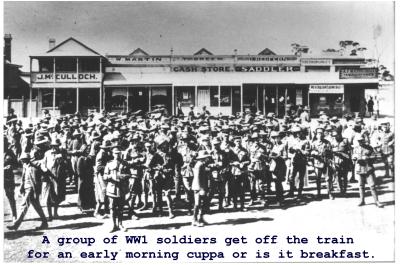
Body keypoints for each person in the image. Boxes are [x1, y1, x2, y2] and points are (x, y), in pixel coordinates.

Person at [7, 152, 48, 231]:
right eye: (22, 160)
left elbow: (42, 170)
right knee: (37, 206)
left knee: (23, 205)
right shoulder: (25, 166)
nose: (22, 161)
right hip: (26, 188)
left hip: (31, 189)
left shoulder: (34, 167)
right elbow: (23, 178)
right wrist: (21, 188)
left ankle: (16, 224)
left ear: (27, 159)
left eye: (24, 160)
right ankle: (45, 222)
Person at [352, 135, 383, 208]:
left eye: (361, 140)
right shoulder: (355, 148)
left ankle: (377, 201)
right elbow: (353, 156)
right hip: (359, 169)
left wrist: (367, 158)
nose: (360, 142)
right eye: (359, 141)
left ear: (364, 140)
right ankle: (362, 200)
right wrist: (354, 158)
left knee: (372, 186)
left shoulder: (369, 148)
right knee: (361, 186)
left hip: (368, 168)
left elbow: (375, 157)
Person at [104, 147, 130, 232]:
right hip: (112, 188)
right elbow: (104, 176)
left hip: (121, 188)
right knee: (112, 207)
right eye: (115, 153)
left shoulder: (125, 163)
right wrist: (111, 176)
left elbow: (129, 174)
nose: (117, 155)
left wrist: (123, 176)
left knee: (121, 208)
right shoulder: (109, 163)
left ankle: (121, 224)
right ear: (112, 154)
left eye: (118, 153)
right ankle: (113, 225)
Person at [41, 139, 68, 220]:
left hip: (58, 178)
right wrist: (44, 169)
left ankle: (55, 213)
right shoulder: (47, 153)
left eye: (56, 146)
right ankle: (49, 215)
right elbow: (43, 163)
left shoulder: (61, 154)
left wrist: (62, 159)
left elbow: (66, 165)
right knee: (48, 197)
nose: (54, 148)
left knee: (57, 196)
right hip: (48, 177)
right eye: (53, 146)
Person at [192, 150, 211, 226]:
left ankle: (200, 218)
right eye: (206, 157)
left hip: (200, 186)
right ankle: (195, 220)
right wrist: (201, 189)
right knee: (197, 204)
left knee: (201, 203)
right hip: (198, 187)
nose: (207, 159)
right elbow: (198, 177)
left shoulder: (201, 164)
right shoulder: (199, 165)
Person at [4, 138, 18, 222]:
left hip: (8, 177)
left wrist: (11, 166)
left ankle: (14, 215)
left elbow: (16, 164)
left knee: (10, 196)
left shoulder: (10, 152)